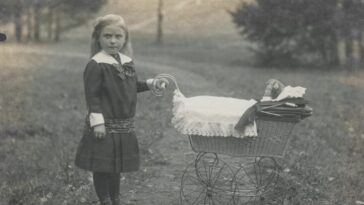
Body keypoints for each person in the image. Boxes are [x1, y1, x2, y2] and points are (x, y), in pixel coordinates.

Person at [74, 14, 168, 205]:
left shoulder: (126, 62)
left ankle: (115, 198)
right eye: (107, 36)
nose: (113, 41)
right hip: (105, 125)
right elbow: (93, 96)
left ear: (125, 39)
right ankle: (105, 199)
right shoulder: (96, 64)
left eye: (118, 36)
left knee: (115, 165)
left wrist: (151, 83)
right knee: (102, 165)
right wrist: (98, 123)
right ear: (98, 38)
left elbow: (130, 86)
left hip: (123, 126)